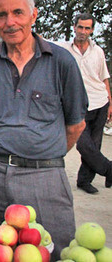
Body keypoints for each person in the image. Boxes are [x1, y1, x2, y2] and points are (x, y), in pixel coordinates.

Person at [0, 0, 88, 260]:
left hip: (44, 175)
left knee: (55, 250)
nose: (10, 22)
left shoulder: (61, 62)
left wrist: (45, 154)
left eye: (17, 12)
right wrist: (5, 153)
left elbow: (76, 124)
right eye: (2, 15)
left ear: (33, 15)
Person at [56, 13, 111, 194]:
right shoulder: (63, 48)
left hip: (100, 102)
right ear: (74, 27)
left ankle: (84, 181)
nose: (83, 31)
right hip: (77, 105)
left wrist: (110, 103)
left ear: (92, 30)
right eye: (80, 27)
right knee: (83, 144)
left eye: (87, 28)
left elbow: (104, 78)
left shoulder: (98, 52)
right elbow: (41, 42)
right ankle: (109, 169)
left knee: (94, 145)